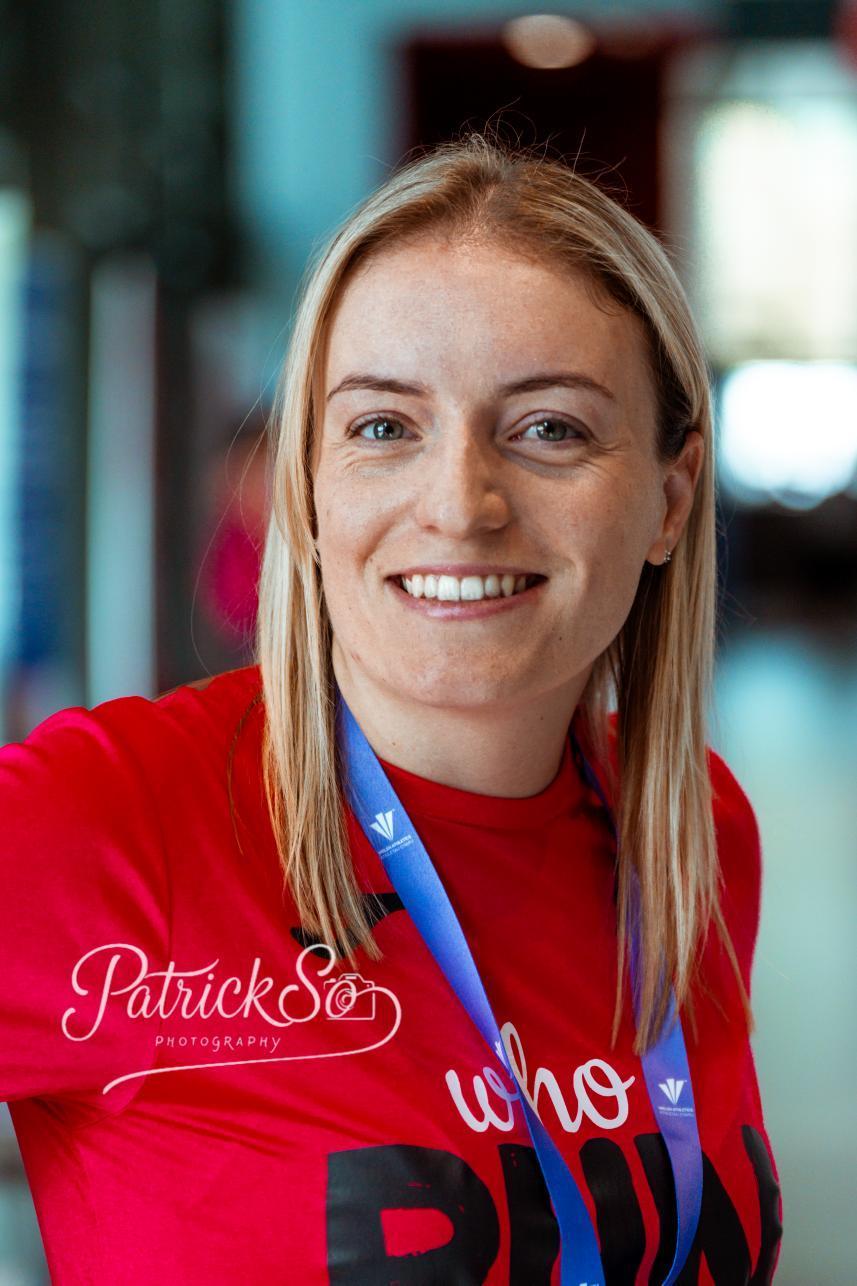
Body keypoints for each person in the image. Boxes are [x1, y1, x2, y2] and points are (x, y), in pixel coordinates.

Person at [0, 134, 782, 1284]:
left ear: (669, 497)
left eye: (549, 428)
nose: (460, 504)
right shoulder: (113, 820)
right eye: (383, 426)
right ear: (307, 486)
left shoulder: (690, 830)